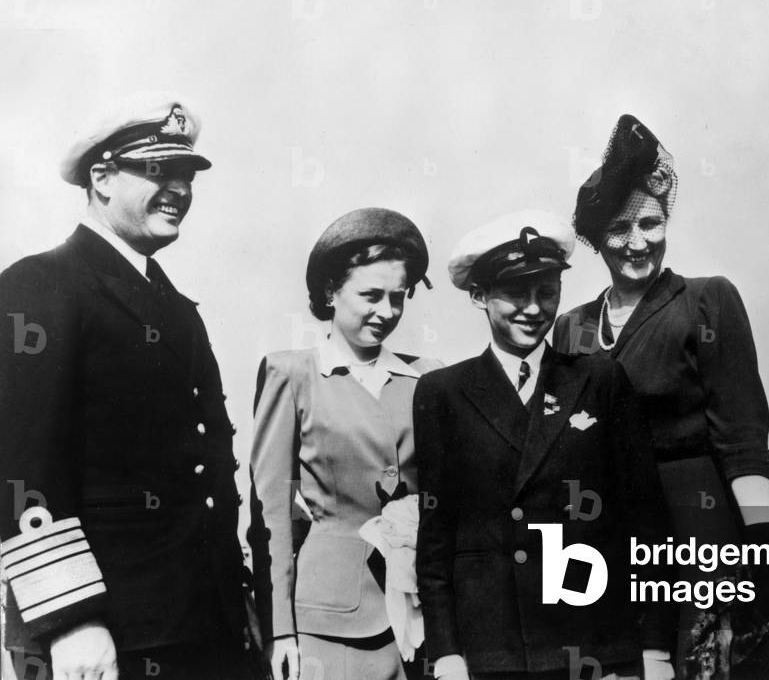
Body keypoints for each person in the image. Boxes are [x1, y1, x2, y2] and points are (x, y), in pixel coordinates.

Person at [0, 94, 253, 679]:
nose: (179, 190)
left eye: (187, 175)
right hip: (105, 630)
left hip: (200, 622)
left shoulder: (178, 310)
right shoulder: (40, 286)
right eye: (158, 170)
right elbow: (21, 471)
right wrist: (69, 621)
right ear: (102, 177)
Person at [553, 115, 769, 677]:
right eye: (619, 228)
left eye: (651, 222)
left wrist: (766, 559)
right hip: (607, 537)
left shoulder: (708, 302)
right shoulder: (571, 328)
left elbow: (743, 443)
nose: (637, 242)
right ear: (595, 239)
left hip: (699, 529)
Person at [415, 210, 675, 680]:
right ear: (479, 296)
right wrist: (446, 651)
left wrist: (655, 648)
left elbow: (647, 524)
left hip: (593, 642)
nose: (533, 309)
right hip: (492, 651)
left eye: (546, 292)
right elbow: (436, 538)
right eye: (516, 293)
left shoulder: (600, 380)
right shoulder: (442, 394)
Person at [247, 208, 442, 680]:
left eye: (398, 297)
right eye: (370, 296)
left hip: (419, 615)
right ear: (331, 292)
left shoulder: (430, 377)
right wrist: (280, 632)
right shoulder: (291, 374)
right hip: (326, 623)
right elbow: (271, 512)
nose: (387, 312)